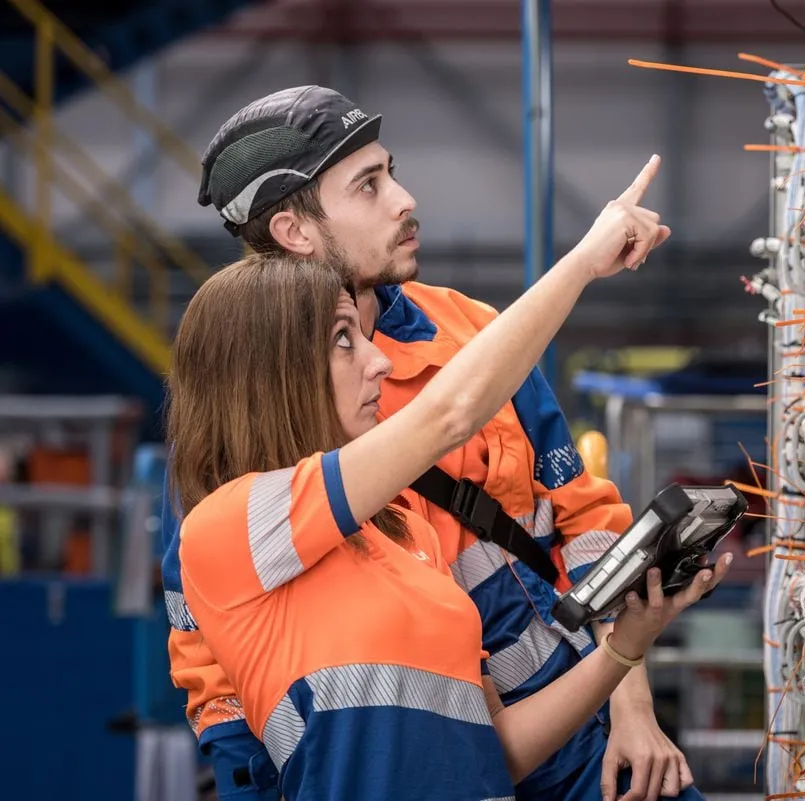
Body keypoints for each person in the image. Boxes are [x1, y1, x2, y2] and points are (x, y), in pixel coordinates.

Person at [162, 85, 704, 801]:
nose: (404, 199)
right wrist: (582, 262)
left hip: (573, 732)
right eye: (369, 185)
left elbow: (585, 521)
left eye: (391, 172)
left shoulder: (476, 336)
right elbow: (224, 693)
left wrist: (629, 690)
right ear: (295, 230)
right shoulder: (238, 507)